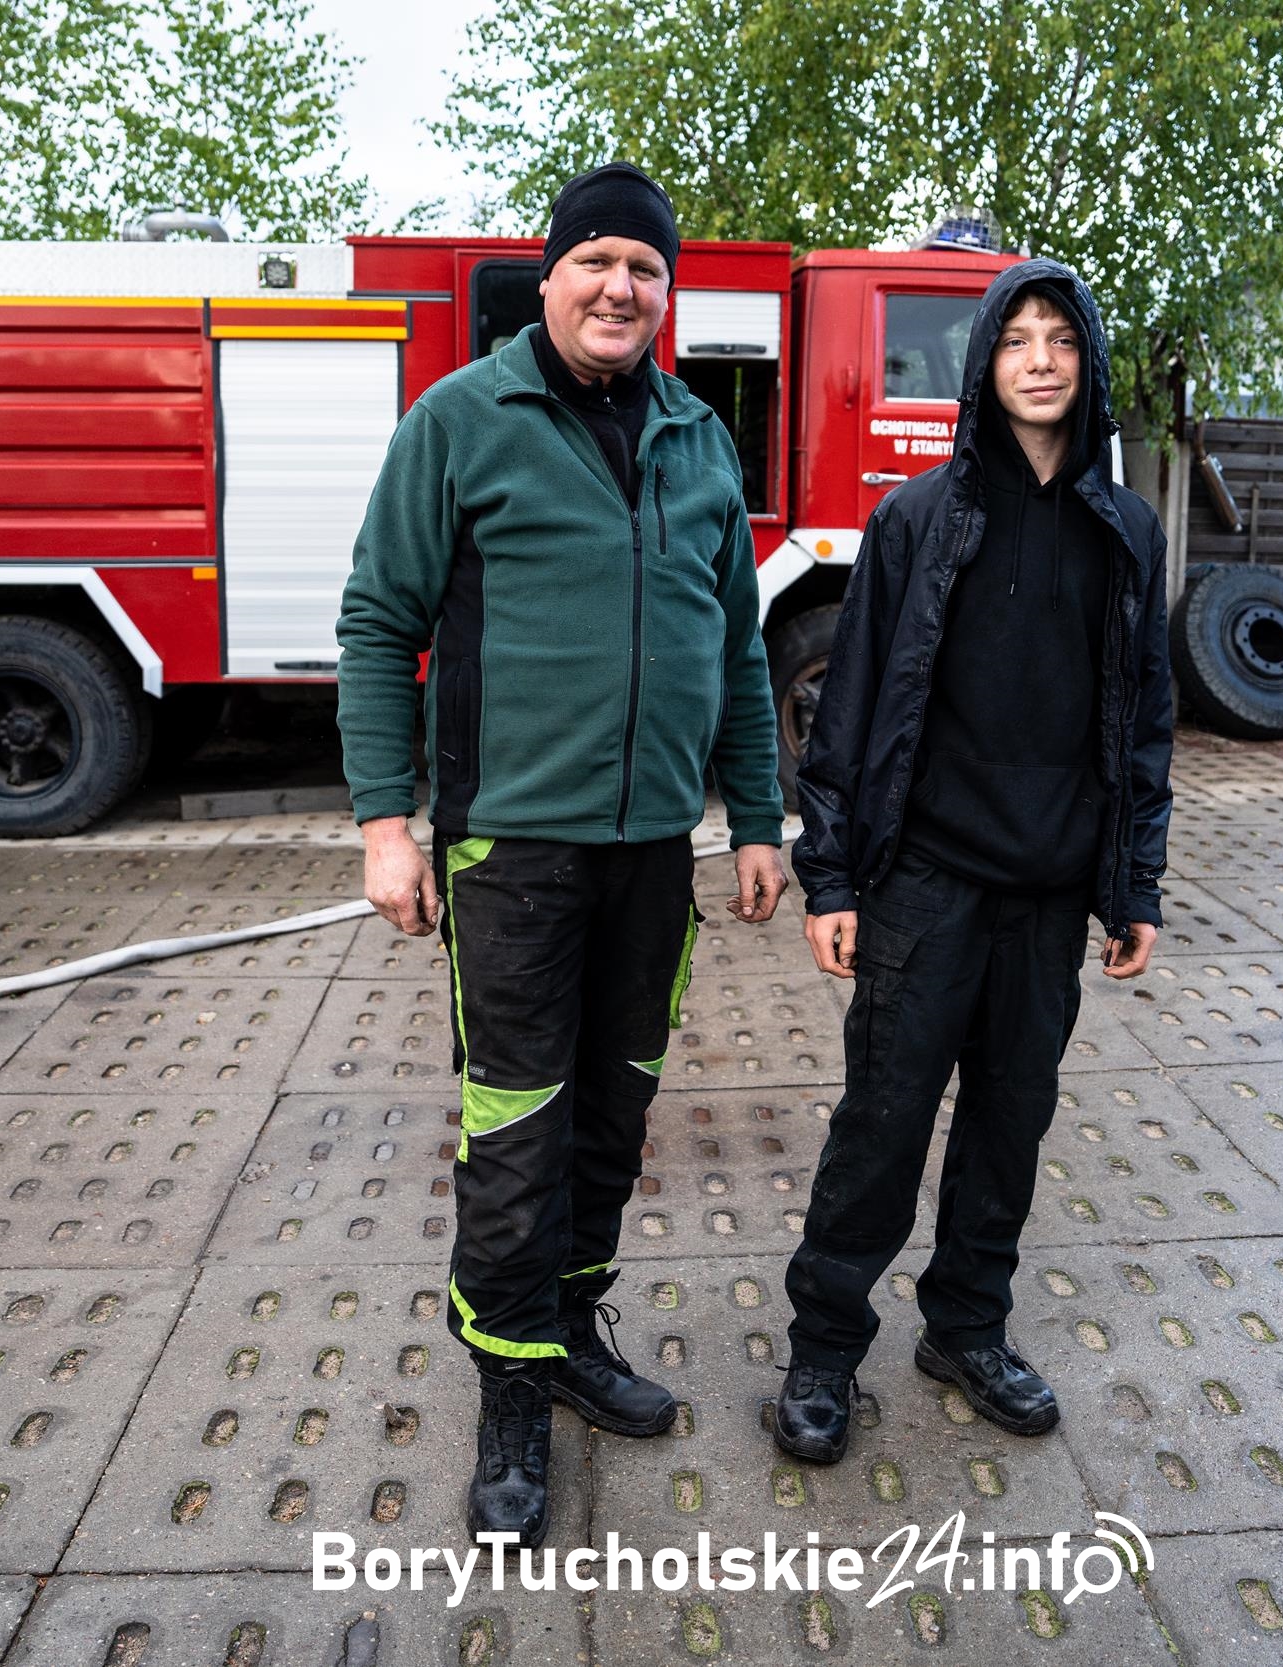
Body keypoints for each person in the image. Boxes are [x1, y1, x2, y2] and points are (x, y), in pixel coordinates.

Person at [335, 161, 788, 1546]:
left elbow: (738, 648)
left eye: (645, 270)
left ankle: (574, 1328)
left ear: (668, 293)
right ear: (550, 279)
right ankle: (514, 1390)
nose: (620, 289)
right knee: (515, 1133)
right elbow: (374, 622)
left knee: (612, 1114)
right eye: (596, 262)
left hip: (654, 851)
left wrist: (758, 817)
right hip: (510, 854)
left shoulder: (698, 441)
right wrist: (384, 824)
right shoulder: (461, 421)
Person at [774, 259, 1174, 1463]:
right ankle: (824, 1346)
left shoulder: (1125, 531)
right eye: (1017, 338)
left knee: (1009, 1126)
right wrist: (831, 874)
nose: (1040, 357)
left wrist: (1133, 879)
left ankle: (966, 1325)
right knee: (883, 1124)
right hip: (923, 886)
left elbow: (1143, 714)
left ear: (1088, 362)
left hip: (1048, 895)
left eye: (1061, 336)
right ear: (984, 363)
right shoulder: (917, 518)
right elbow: (850, 707)